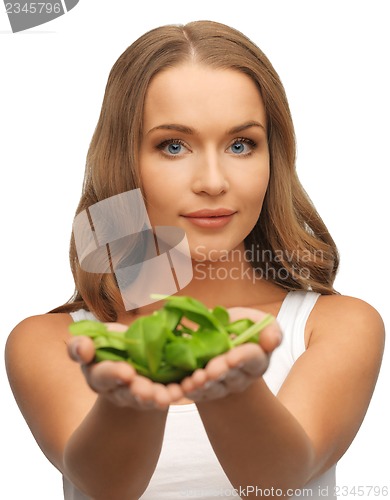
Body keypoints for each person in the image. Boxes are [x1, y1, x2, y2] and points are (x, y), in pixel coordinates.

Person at [5, 20, 385, 500]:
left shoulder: (334, 326)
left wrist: (228, 389)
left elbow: (276, 481)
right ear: (124, 162)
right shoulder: (49, 341)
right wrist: (133, 400)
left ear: (274, 157)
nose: (212, 180)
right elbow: (106, 486)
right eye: (174, 146)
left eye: (241, 144)